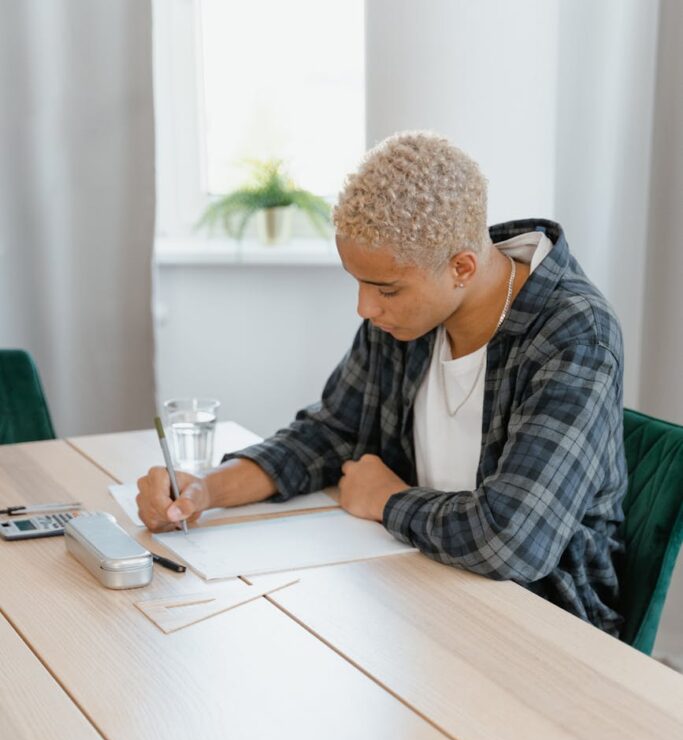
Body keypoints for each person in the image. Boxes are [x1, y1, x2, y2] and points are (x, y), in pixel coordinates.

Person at [137, 132, 627, 635]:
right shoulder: (404, 317)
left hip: (541, 624)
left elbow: (514, 540)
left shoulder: (575, 336)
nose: (365, 309)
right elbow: (331, 433)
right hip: (420, 589)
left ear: (461, 267)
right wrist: (204, 490)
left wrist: (387, 501)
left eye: (385, 289)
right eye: (358, 282)